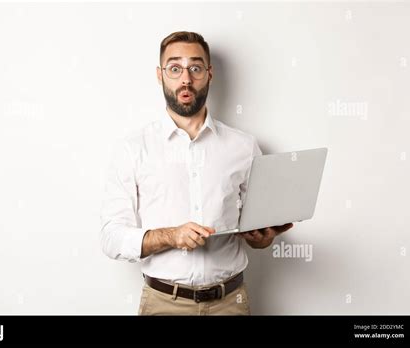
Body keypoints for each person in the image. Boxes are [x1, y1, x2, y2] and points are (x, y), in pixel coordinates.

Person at [100, 31, 294, 315]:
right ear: (160, 74)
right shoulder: (133, 148)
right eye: (175, 68)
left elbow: (259, 234)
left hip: (230, 303)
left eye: (196, 68)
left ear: (210, 74)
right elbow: (111, 237)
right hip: (164, 304)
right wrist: (170, 236)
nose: (186, 79)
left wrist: (263, 238)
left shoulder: (244, 146)